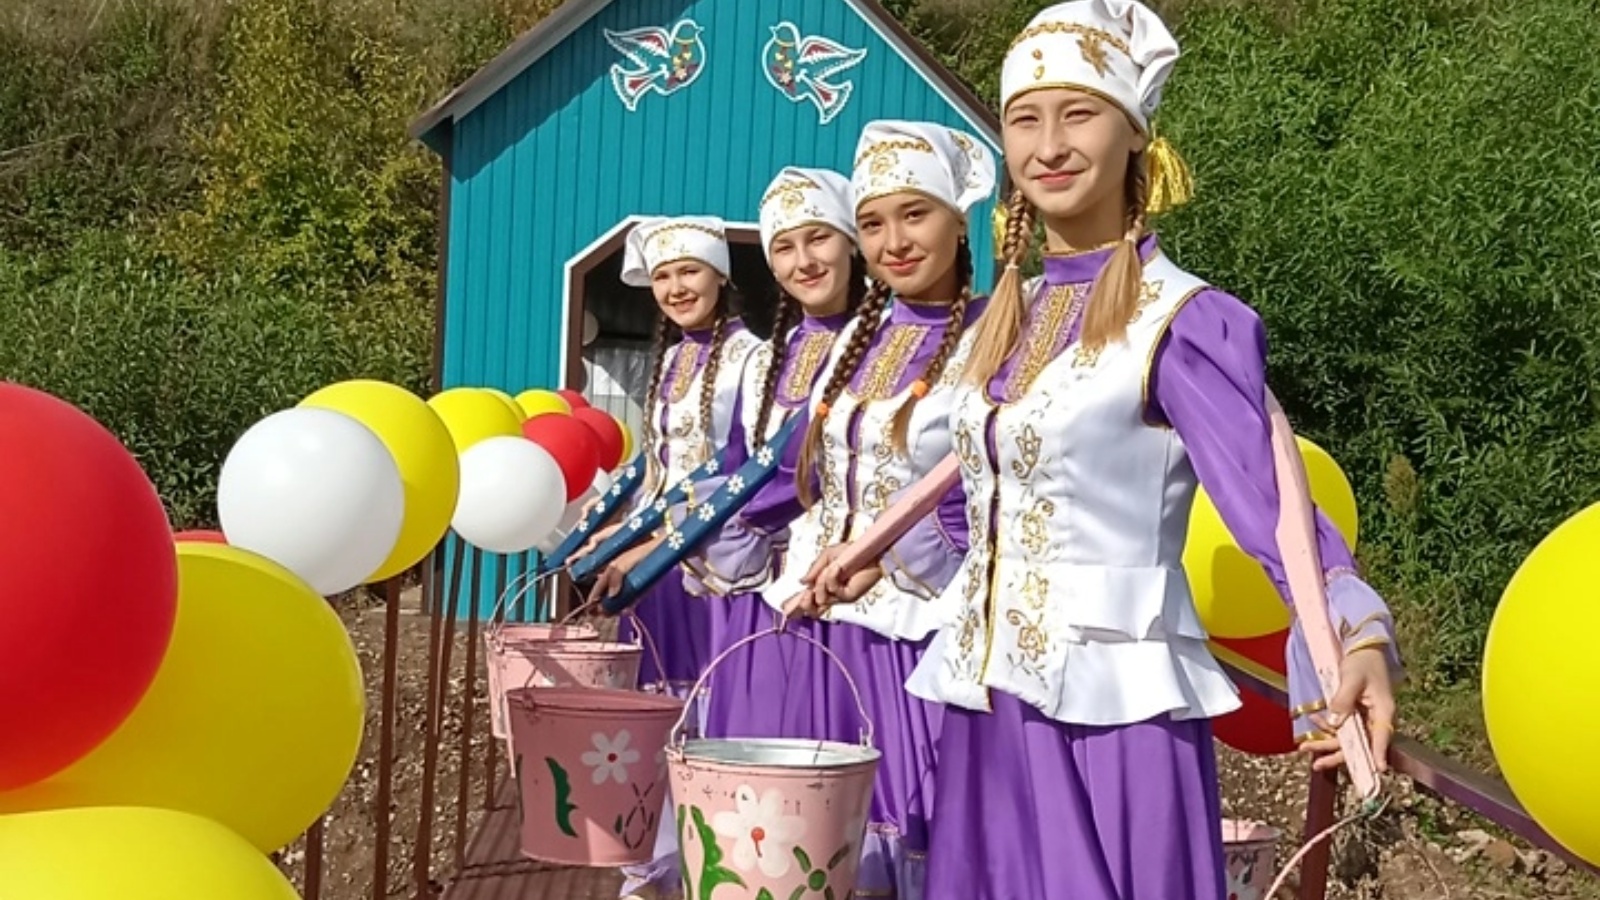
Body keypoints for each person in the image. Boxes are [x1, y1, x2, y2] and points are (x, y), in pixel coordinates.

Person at [804, 4, 1404, 898]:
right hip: (987, 708)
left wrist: (1357, 631)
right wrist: (877, 555)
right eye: (1025, 119)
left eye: (1078, 114)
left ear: (1135, 136)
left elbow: (1268, 497)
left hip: (1110, 713)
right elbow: (993, 490)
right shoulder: (1009, 319)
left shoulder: (1182, 320)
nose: (1049, 145)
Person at [765, 120, 997, 899]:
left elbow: (990, 486)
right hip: (833, 625)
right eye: (872, 223)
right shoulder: (854, 340)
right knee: (828, 836)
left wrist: (887, 558)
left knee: (919, 825)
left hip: (923, 628)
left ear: (959, 222)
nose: (893, 242)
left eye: (915, 214)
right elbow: (816, 476)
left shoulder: (996, 333)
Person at [585, 214, 765, 900]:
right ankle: (656, 857)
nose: (676, 287)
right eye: (662, 276)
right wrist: (616, 532)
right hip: (657, 566)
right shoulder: (670, 361)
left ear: (720, 275)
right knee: (660, 708)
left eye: (689, 271)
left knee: (714, 710)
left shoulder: (753, 358)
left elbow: (740, 470)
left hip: (718, 563)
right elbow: (661, 472)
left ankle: (714, 863)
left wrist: (654, 542)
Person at [674, 167, 869, 739]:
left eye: (819, 238)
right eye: (784, 247)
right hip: (760, 590)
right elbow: (741, 461)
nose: (803, 261)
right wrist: (700, 526)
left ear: (851, 242)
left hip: (845, 589)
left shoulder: (879, 341)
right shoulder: (764, 360)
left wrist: (745, 521)